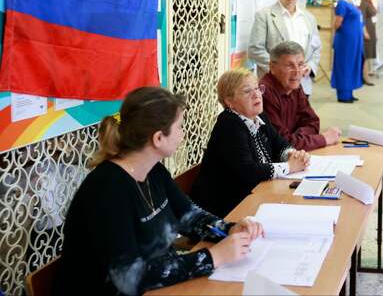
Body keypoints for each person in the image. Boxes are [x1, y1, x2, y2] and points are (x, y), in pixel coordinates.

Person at [53, 87, 263, 296]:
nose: (183, 134)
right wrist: (213, 257)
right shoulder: (106, 190)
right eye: (179, 127)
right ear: (158, 138)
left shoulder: (153, 170)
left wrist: (229, 229)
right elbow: (129, 278)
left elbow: (189, 216)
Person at [190, 69, 310, 218]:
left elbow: (279, 144)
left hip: (256, 195)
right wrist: (290, 166)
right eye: (247, 91)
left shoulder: (259, 117)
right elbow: (249, 171)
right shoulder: (229, 125)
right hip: (224, 209)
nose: (256, 94)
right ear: (229, 102)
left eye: (257, 88)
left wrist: (293, 155)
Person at [248, 0, 321, 96]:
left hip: (303, 85)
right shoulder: (264, 16)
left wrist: (310, 66)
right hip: (275, 86)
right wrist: (280, 69)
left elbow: (316, 48)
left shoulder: (309, 18)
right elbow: (255, 50)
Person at [261, 41, 342, 150]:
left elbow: (313, 122)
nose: (297, 72)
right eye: (289, 66)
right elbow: (283, 144)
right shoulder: (265, 94)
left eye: (300, 64)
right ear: (272, 67)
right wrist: (323, 139)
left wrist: (297, 139)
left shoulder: (294, 87)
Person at [331, 0, 364, 103]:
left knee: (351, 64)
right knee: (344, 65)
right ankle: (343, 95)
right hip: (345, 41)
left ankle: (349, 91)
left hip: (353, 41)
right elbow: (337, 23)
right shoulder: (342, 3)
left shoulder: (351, 2)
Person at [360, 0, 377, 85]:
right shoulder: (364, 3)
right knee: (365, 56)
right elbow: (361, 18)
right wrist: (364, 31)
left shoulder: (370, 2)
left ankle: (365, 75)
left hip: (371, 30)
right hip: (366, 31)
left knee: (368, 55)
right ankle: (365, 77)